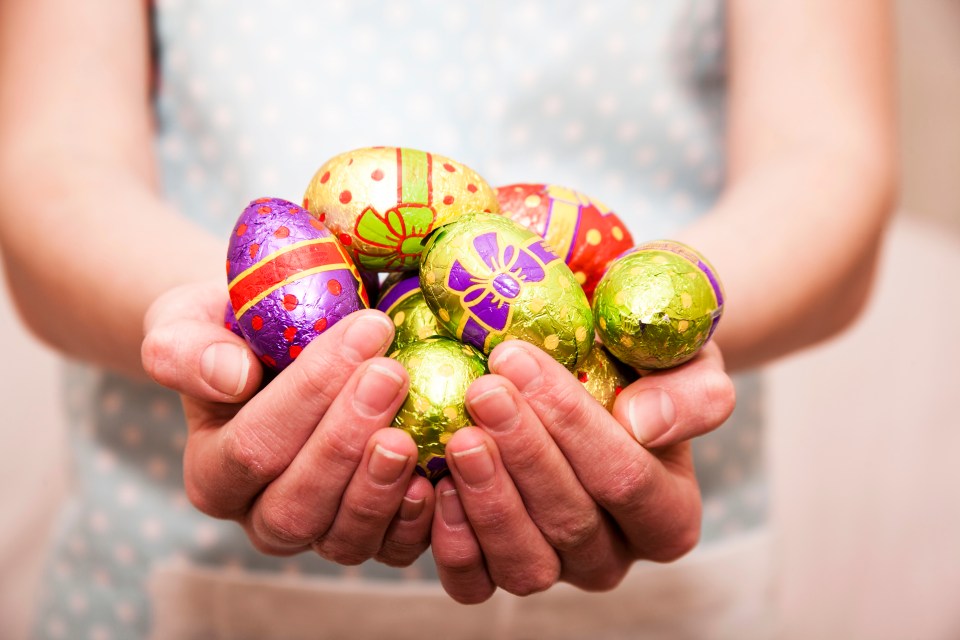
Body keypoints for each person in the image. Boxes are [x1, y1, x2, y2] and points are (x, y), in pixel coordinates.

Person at [0, 1, 895, 638]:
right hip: (176, 546)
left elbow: (825, 155)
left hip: (652, 499)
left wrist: (655, 340)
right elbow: (55, 163)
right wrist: (227, 328)